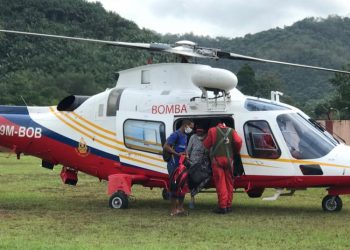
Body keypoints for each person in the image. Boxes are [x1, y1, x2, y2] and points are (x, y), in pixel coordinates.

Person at [203, 120, 242, 214]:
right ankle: (228, 205)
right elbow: (239, 141)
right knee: (229, 183)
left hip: (217, 161)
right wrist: (236, 151)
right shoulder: (232, 131)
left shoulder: (212, 130)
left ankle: (222, 206)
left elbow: (206, 145)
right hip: (229, 160)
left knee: (221, 183)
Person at [163, 119, 194, 216]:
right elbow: (166, 146)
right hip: (173, 164)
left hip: (182, 164)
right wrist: (177, 154)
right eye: (191, 127)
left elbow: (183, 148)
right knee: (174, 186)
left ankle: (180, 208)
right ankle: (173, 210)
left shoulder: (185, 136)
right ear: (186, 125)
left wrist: (186, 155)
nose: (191, 129)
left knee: (183, 186)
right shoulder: (175, 135)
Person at [186, 126, 210, 209]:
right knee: (193, 180)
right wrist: (188, 160)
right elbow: (188, 150)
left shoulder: (207, 138)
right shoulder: (193, 137)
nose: (199, 133)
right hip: (193, 163)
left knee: (206, 177)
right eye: (197, 131)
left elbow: (208, 152)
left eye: (201, 131)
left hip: (203, 165)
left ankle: (193, 195)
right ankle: (192, 198)